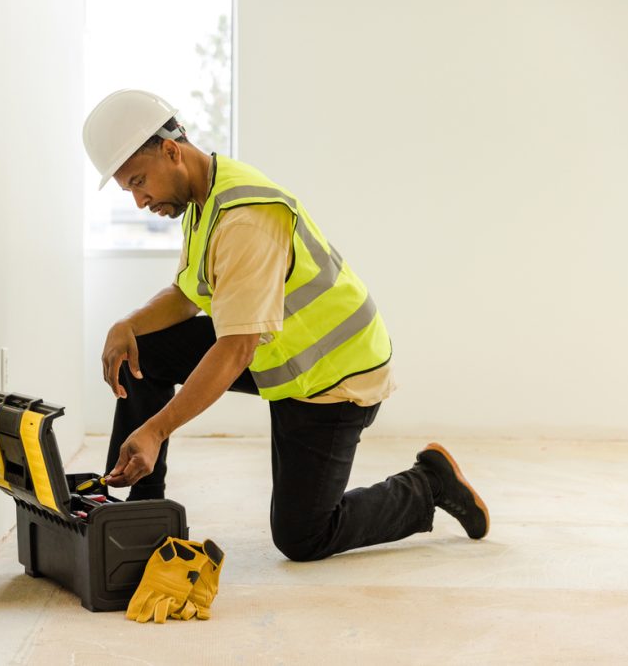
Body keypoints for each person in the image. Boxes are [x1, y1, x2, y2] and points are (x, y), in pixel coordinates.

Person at [82, 89, 489, 562]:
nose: (138, 200)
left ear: (171, 151)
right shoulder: (201, 198)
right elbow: (188, 296)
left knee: (303, 535)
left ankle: (427, 485)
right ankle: (140, 515)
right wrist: (126, 324)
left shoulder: (245, 218)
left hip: (332, 373)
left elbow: (234, 349)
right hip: (278, 351)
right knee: (144, 350)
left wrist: (156, 429)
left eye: (138, 182)